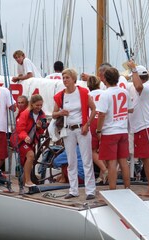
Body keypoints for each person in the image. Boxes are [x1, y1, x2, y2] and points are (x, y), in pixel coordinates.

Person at [52, 68, 96, 200]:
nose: (65, 80)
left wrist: (87, 125)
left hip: (81, 128)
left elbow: (93, 109)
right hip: (68, 129)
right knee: (71, 161)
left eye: (67, 78)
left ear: (73, 79)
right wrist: (60, 113)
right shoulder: (60, 95)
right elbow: (54, 114)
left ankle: (90, 190)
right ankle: (73, 190)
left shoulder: (83, 92)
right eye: (63, 77)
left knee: (86, 159)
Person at [96, 67, 132, 190]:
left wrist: (98, 130)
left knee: (111, 162)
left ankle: (113, 189)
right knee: (123, 161)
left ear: (105, 79)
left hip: (110, 131)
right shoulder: (125, 92)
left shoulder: (105, 94)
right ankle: (127, 187)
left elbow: (101, 114)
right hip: (122, 130)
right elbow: (130, 109)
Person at [127, 61, 149, 197]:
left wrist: (133, 69)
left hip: (145, 127)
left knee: (147, 158)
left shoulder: (145, 87)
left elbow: (138, 86)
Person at [16, 94, 47, 187]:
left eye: (41, 105)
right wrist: (25, 137)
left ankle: (24, 182)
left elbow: (42, 130)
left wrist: (38, 127)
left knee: (29, 160)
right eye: (37, 105)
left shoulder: (42, 115)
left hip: (32, 141)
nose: (39, 107)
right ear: (32, 104)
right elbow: (20, 129)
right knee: (30, 156)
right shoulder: (25, 114)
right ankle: (28, 181)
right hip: (22, 141)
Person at [87, 75, 108, 184]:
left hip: (93, 121)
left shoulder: (88, 95)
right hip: (105, 121)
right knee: (103, 149)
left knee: (93, 150)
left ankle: (104, 170)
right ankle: (101, 176)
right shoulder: (105, 93)